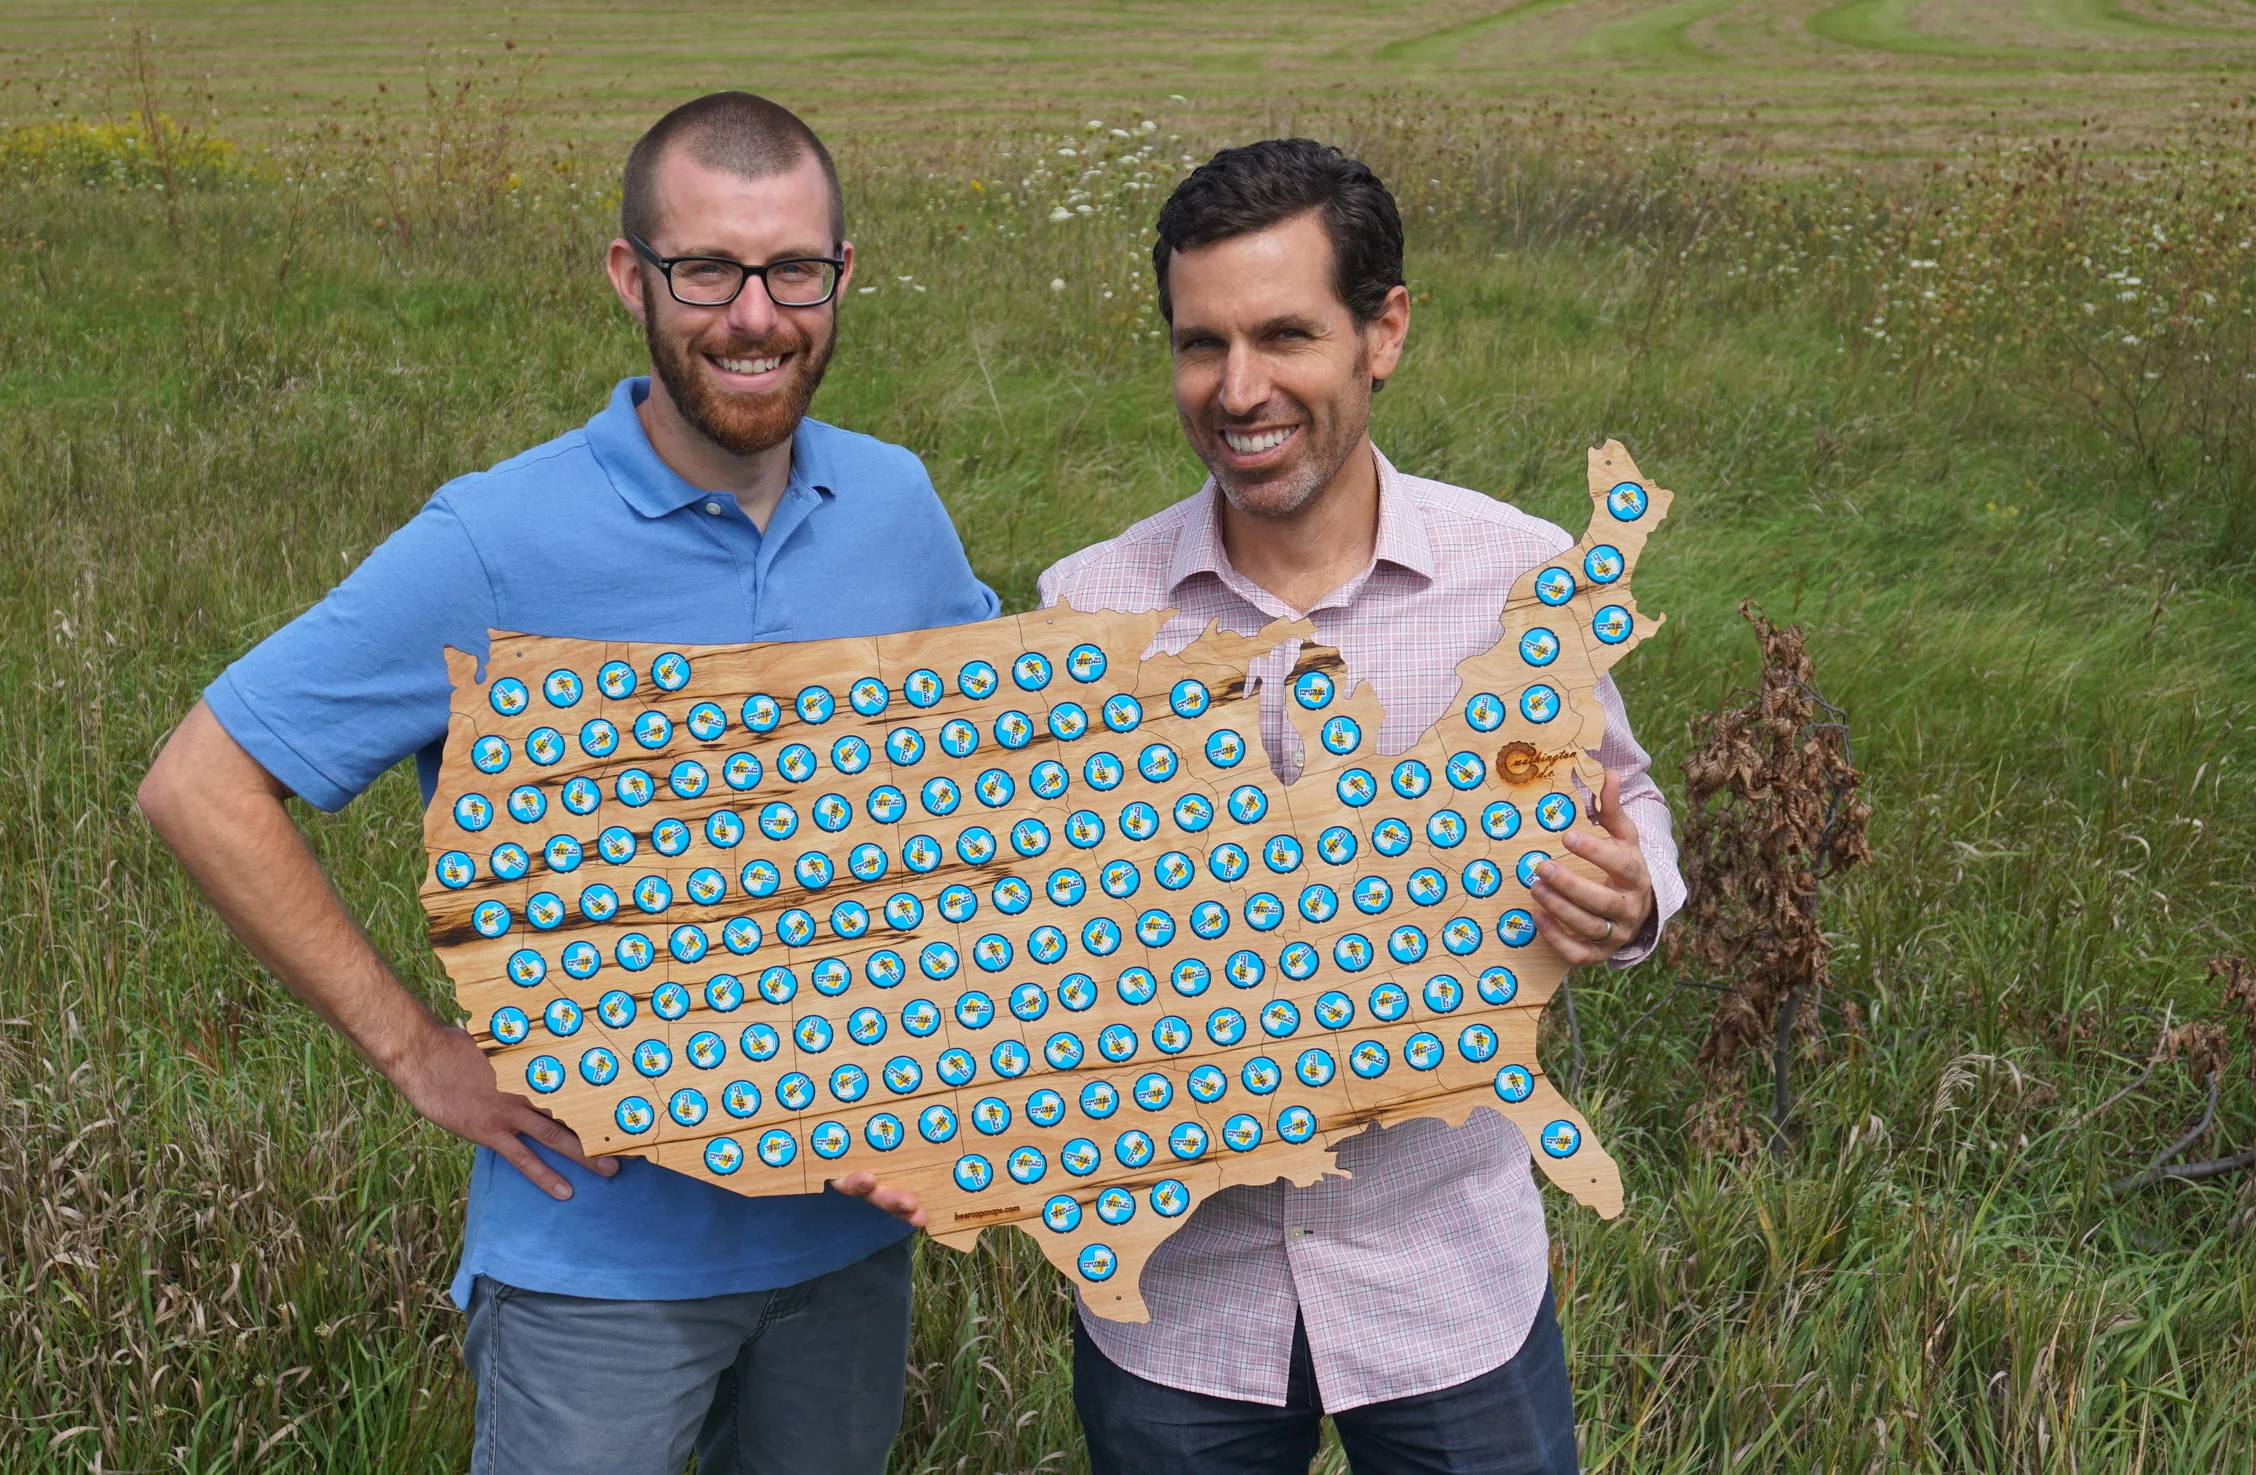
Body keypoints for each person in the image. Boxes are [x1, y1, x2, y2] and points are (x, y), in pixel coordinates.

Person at [137, 91, 996, 1475]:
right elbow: (200, 780)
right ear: (629, 277)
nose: (754, 315)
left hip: (852, 1246)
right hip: (600, 1266)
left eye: (794, 271)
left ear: (845, 276)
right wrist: (417, 1052)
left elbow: (993, 784)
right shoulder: (497, 538)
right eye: (706, 270)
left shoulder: (895, 506)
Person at [1034, 139, 1685, 1475]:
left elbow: (1628, 799)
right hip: (1179, 1303)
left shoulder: (1525, 578)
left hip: (1446, 1285)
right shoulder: (1088, 605)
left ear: (1383, 332)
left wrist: (1637, 901)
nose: (1239, 389)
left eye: (1284, 335)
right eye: (1200, 343)